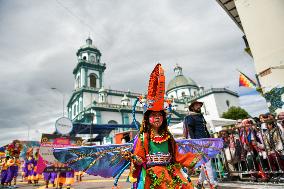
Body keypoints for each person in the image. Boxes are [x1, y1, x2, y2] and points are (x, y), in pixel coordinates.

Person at [122, 64, 203, 189]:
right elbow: (140, 158)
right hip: (151, 176)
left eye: (160, 114)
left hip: (171, 173)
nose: (157, 117)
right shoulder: (144, 137)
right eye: (153, 115)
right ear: (147, 119)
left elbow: (177, 155)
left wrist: (192, 159)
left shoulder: (168, 136)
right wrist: (135, 159)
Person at [183, 100, 218, 189]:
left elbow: (205, 129)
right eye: (197, 105)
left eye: (199, 105)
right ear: (192, 107)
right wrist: (195, 142)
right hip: (199, 142)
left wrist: (210, 139)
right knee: (207, 163)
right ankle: (212, 184)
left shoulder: (201, 116)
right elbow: (190, 131)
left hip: (206, 141)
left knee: (205, 163)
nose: (199, 106)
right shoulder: (190, 117)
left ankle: (199, 182)